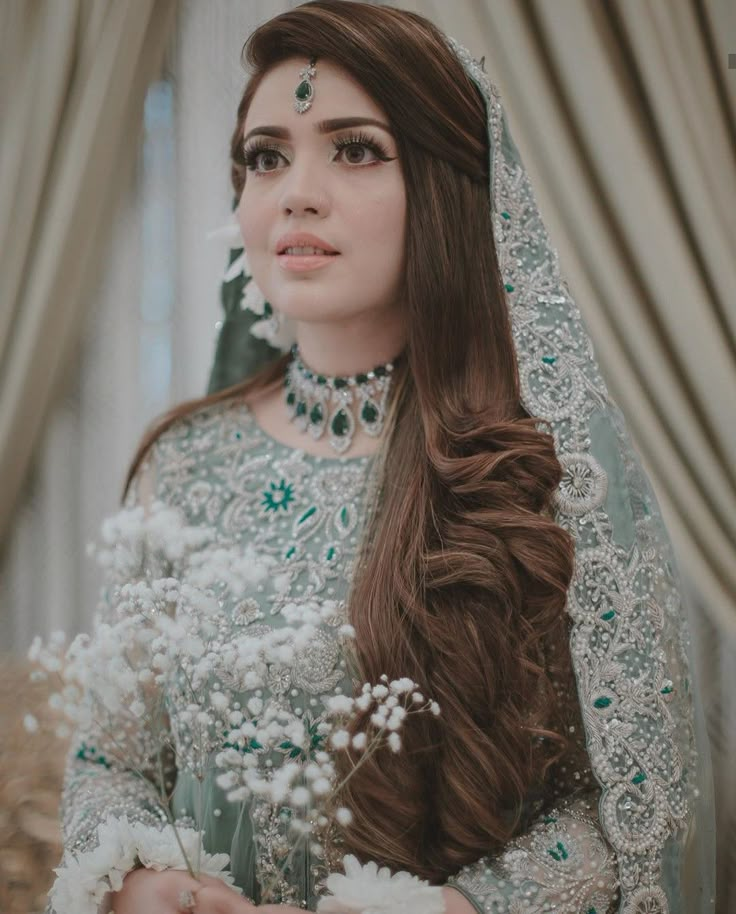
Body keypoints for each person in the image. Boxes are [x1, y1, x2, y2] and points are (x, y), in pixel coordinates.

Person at [46, 2, 715, 913]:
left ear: (442, 187)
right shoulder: (184, 460)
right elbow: (111, 761)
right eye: (267, 156)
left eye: (354, 149)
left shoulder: (539, 473)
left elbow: (631, 816)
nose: (296, 192)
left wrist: (449, 909)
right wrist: (136, 883)